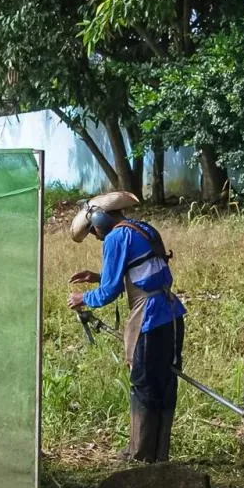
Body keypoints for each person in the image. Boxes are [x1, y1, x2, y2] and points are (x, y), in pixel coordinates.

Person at [68, 191, 186, 463]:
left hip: (149, 319)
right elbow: (144, 274)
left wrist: (83, 297)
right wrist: (97, 276)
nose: (96, 236)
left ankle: (139, 455)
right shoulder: (143, 228)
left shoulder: (116, 237)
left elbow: (108, 292)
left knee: (142, 384)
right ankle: (159, 454)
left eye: (93, 230)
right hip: (171, 313)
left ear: (100, 218)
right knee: (164, 383)